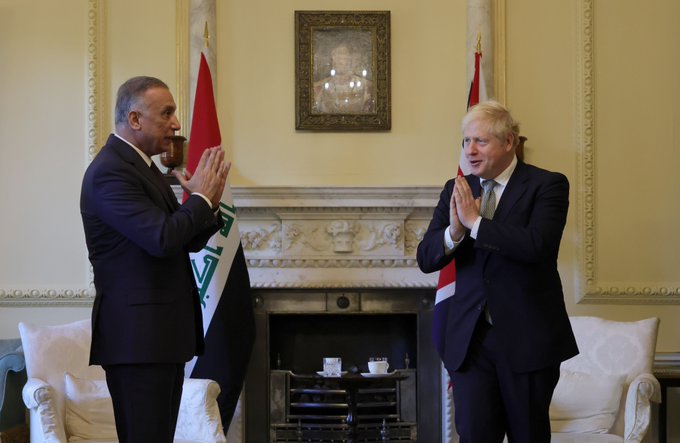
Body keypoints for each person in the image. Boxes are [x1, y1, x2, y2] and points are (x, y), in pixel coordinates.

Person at [417, 100, 578, 442]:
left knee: (528, 436)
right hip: (471, 341)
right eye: (465, 141)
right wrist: (454, 233)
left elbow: (537, 245)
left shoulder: (546, 185)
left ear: (509, 143)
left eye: (480, 141)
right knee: (474, 435)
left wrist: (475, 223)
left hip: (527, 339)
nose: (470, 151)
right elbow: (426, 258)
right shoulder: (457, 189)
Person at [80, 76, 230, 442]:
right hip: (138, 342)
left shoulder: (144, 168)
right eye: (167, 113)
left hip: (157, 339)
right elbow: (162, 239)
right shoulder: (110, 173)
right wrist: (201, 201)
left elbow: (184, 242)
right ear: (134, 120)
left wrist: (206, 203)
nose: (177, 123)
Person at [313, 43, 374, 114]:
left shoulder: (367, 86)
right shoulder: (318, 87)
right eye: (337, 58)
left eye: (344, 58)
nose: (340, 62)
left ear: (352, 61)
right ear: (332, 61)